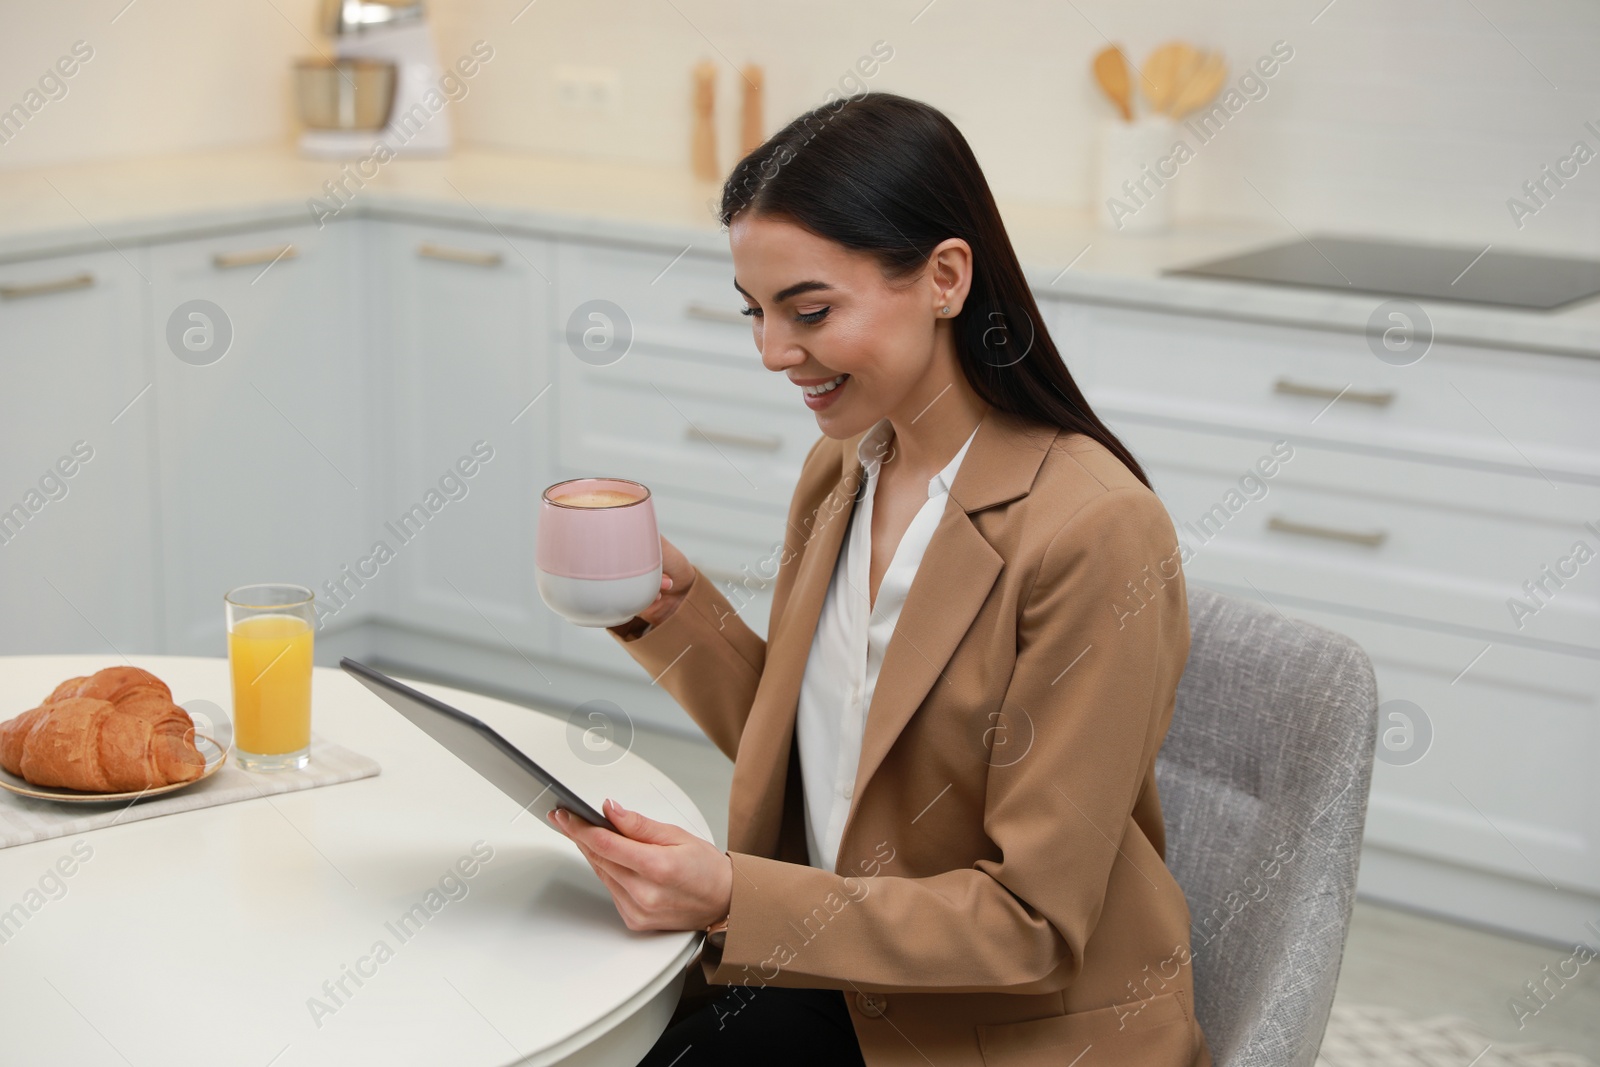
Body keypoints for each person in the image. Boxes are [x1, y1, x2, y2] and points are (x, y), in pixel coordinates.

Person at [545, 91, 1212, 1067]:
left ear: (944, 277)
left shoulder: (1092, 530)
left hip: (1000, 1029)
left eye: (808, 310)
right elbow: (837, 756)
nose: (773, 353)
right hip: (852, 976)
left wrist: (733, 893)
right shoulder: (847, 466)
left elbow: (1030, 922)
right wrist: (676, 615)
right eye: (758, 313)